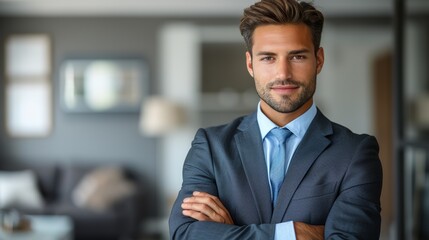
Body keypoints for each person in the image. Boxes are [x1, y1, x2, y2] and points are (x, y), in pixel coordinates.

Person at [169, 0, 383, 239]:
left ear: (318, 60)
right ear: (250, 64)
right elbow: (185, 233)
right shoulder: (210, 146)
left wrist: (230, 233)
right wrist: (290, 233)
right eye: (268, 58)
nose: (283, 73)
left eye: (298, 57)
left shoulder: (355, 153)